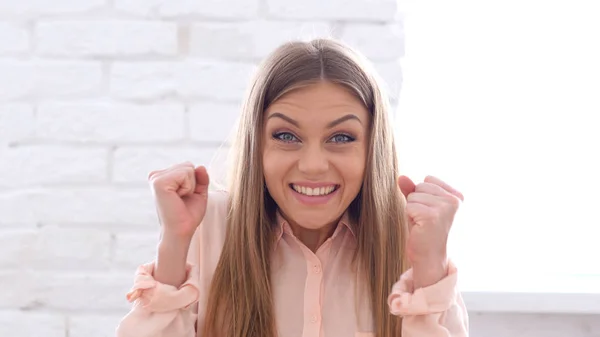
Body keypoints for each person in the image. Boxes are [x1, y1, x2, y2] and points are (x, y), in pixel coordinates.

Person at [115, 38, 469, 337]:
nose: (313, 164)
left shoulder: (409, 237)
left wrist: (428, 266)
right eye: (286, 136)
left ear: (371, 148)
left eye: (342, 137)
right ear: (258, 144)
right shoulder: (210, 226)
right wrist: (174, 244)